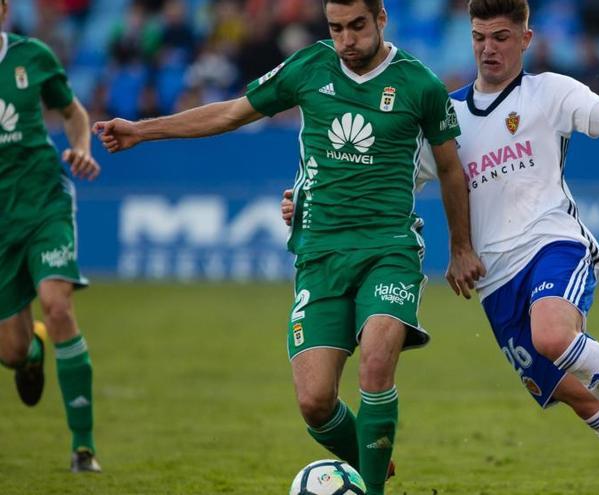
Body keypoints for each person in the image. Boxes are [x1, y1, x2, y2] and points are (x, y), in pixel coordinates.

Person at [283, 0, 599, 492]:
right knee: (580, 398)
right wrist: (307, 202)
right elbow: (386, 183)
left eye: (501, 37)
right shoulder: (446, 117)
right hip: (497, 284)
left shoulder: (549, 93)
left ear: (525, 39)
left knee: (553, 335)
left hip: (552, 243)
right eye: (479, 37)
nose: (488, 49)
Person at [93, 1, 483, 494]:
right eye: (336, 28)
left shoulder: (419, 84)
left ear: (382, 19)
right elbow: (232, 113)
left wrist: (462, 247)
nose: (347, 40)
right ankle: (372, 460)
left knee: (377, 360)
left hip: (389, 248)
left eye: (357, 26)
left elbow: (451, 168)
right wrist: (142, 131)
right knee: (315, 402)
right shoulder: (308, 67)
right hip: (319, 252)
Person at [0, 0, 103, 473]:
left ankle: (83, 448)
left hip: (44, 202)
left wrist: (81, 148)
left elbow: (73, 111)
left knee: (58, 304)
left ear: (3, 11)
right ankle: (33, 349)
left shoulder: (33, 57)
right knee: (12, 352)